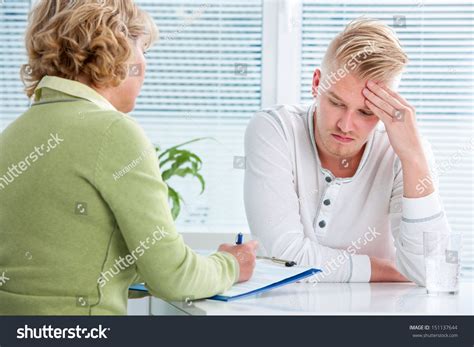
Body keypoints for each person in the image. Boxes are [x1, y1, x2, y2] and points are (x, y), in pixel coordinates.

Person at [0, 0, 257, 315]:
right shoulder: (112, 132)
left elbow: (62, 268)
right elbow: (174, 278)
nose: (145, 65)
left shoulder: (13, 135)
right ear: (115, 51)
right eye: (143, 50)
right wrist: (232, 263)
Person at [244, 18, 450, 284]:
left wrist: (414, 158)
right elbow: (283, 256)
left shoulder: (402, 150)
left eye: (366, 112)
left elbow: (434, 271)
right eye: (336, 102)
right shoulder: (275, 129)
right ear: (317, 83)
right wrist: (393, 270)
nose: (346, 124)